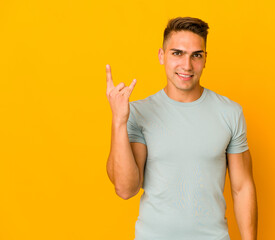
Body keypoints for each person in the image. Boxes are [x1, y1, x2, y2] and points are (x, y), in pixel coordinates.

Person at [106, 17, 258, 240]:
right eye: (177, 53)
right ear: (161, 56)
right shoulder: (138, 113)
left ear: (205, 59)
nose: (187, 65)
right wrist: (119, 121)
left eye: (196, 55)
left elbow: (243, 187)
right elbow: (126, 189)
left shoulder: (230, 113)